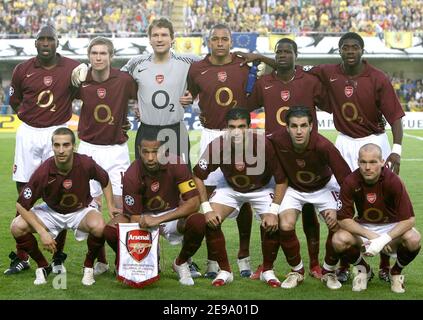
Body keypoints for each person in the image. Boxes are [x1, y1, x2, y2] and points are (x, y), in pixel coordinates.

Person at [306, 32, 405, 282]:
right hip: (344, 143)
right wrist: (264, 60)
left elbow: (394, 116)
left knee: (382, 203)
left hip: (374, 141)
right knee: (344, 203)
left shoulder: (377, 77)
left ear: (362, 50)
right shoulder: (329, 71)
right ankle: (345, 261)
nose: (350, 51)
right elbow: (294, 68)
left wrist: (397, 149)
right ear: (339, 50)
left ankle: (383, 263)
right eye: (345, 47)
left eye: (354, 47)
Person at [245, 37, 331, 280]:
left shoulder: (310, 81)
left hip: (306, 154)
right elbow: (246, 103)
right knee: (268, 211)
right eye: (279, 52)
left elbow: (331, 104)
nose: (283, 55)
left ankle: (314, 264)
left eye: (287, 52)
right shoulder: (264, 83)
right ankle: (266, 265)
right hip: (274, 154)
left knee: (309, 210)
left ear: (296, 55)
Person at [5, 25, 80, 276]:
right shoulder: (22, 69)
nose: (46, 43)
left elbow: (85, 95)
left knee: (59, 193)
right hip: (28, 132)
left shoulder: (72, 67)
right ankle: (23, 256)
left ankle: (58, 256)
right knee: (24, 190)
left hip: (56, 132)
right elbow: (14, 101)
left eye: (50, 39)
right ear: (35, 43)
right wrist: (30, 119)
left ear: (57, 43)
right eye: (41, 39)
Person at [187, 23, 258, 279]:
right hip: (209, 135)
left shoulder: (243, 64)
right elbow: (189, 94)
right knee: (208, 195)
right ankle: (212, 259)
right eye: (215, 39)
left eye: (224, 39)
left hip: (239, 135)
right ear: (209, 41)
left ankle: (244, 255)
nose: (220, 43)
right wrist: (185, 98)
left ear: (231, 41)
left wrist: (260, 57)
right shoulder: (197, 68)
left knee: (246, 194)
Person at [10, 128, 119, 286]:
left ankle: (88, 267)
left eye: (66, 145)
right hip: (52, 211)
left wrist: (110, 205)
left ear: (73, 146)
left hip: (80, 211)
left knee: (99, 226)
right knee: (16, 226)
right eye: (57, 145)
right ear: (52, 146)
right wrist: (41, 232)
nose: (61, 150)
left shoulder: (85, 163)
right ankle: (43, 265)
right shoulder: (43, 171)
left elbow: (105, 179)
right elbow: (21, 204)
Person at [193, 108, 286, 287]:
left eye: (242, 126)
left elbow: (282, 180)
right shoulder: (218, 145)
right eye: (232, 127)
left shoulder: (264, 145)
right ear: (226, 128)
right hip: (230, 187)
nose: (237, 131)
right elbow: (198, 175)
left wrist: (273, 211)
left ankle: (267, 270)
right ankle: (225, 271)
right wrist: (206, 208)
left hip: (261, 188)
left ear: (250, 127)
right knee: (211, 219)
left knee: (275, 221)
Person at [102, 127, 206, 286]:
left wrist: (158, 219)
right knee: (110, 229)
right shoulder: (131, 174)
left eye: (155, 152)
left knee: (198, 221)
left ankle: (181, 262)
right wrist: (149, 248)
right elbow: (135, 218)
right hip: (143, 219)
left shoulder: (177, 163)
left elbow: (194, 203)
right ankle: (146, 263)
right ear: (139, 150)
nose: (150, 158)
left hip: (170, 215)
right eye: (145, 152)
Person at [267, 106, 351, 289]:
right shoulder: (276, 140)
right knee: (285, 224)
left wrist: (341, 208)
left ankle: (328, 272)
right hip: (294, 188)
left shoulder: (323, 145)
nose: (299, 131)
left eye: (303, 126)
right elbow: (255, 143)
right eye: (294, 126)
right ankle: (297, 271)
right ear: (286, 127)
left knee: (335, 224)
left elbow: (346, 179)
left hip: (323, 187)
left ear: (311, 126)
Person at [73, 36, 137, 276]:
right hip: (88, 148)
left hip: (116, 150)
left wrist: (130, 117)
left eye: (103, 53)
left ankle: (125, 259)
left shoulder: (124, 79)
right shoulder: (80, 80)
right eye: (94, 53)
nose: (98, 57)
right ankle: (99, 261)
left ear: (111, 56)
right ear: (89, 56)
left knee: (119, 207)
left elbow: (140, 96)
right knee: (92, 206)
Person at [333, 143, 421, 293]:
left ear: (382, 162)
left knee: (414, 239)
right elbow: (343, 219)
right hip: (365, 229)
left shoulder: (393, 181)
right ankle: (363, 270)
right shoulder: (350, 181)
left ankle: (396, 273)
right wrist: (372, 236)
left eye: (373, 162)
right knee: (338, 240)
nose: (367, 167)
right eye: (363, 162)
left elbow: (409, 220)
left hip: (391, 228)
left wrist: (384, 239)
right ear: (358, 162)